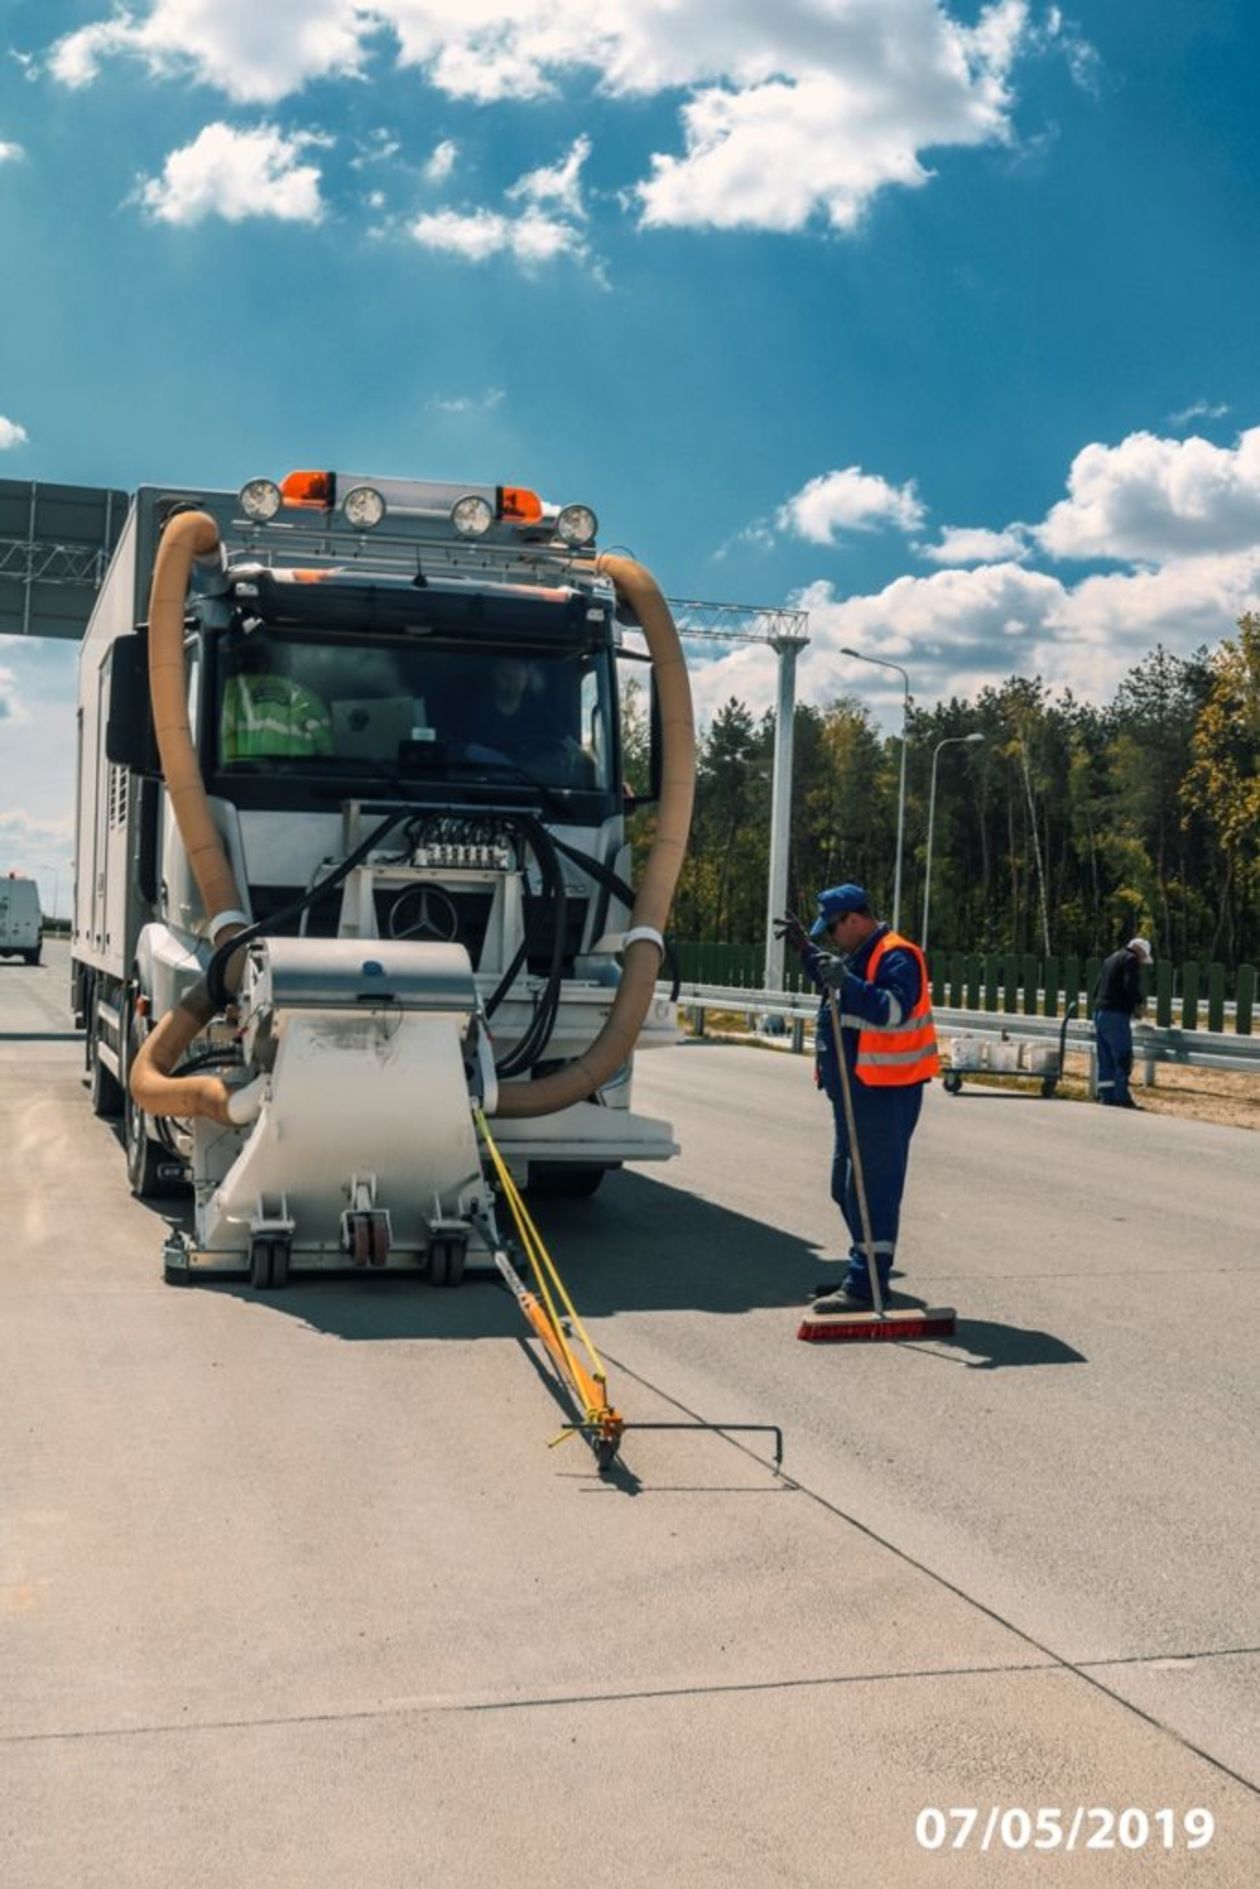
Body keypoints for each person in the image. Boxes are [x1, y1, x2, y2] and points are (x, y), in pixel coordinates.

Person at [777, 884, 939, 1314]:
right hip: (855, 1092)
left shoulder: (895, 954)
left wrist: (845, 979)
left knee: (872, 1191)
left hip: (885, 1091)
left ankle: (866, 1284)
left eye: (832, 930)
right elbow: (838, 987)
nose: (833, 938)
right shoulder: (859, 953)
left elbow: (891, 1010)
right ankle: (868, 1272)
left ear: (853, 919)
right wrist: (808, 953)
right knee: (845, 1188)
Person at [219, 638, 333, 762]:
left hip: (233, 780)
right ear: (287, 663)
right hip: (294, 780)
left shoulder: (225, 695)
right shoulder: (308, 701)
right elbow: (328, 762)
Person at [1092, 936, 1152, 1109]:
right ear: (1139, 951)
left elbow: (1097, 987)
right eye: (1143, 957)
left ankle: (1106, 1095)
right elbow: (1130, 984)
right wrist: (1138, 1004)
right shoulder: (1130, 959)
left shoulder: (1110, 958)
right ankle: (1121, 1097)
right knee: (1122, 1056)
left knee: (1105, 1057)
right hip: (1116, 1014)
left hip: (1099, 1012)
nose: (1141, 962)